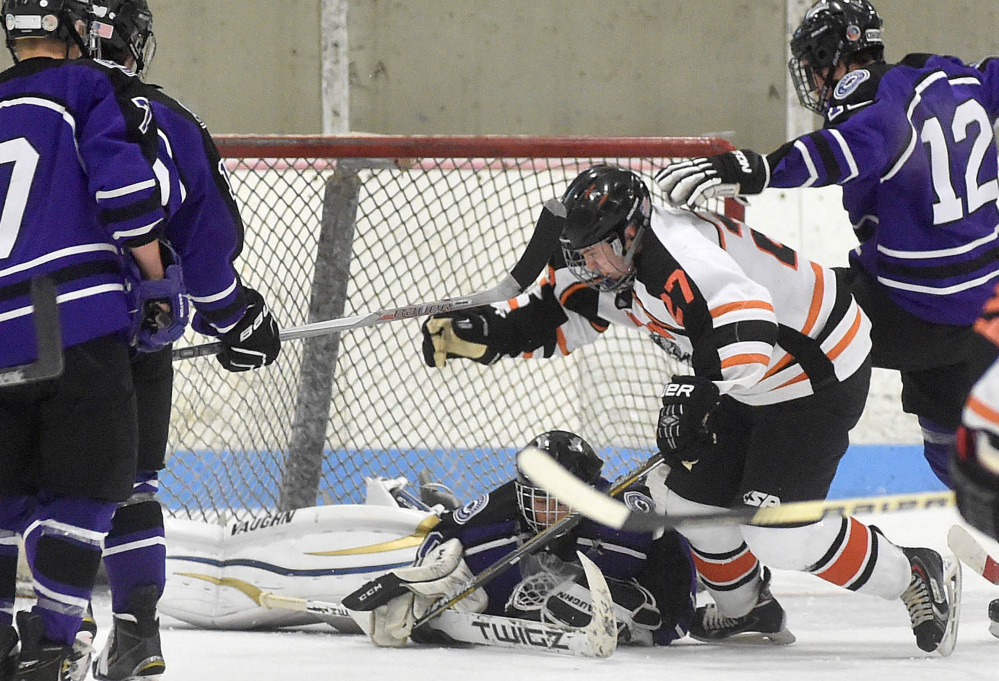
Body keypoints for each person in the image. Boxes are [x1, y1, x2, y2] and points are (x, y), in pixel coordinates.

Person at [420, 164, 962, 655]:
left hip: (816, 371)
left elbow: (746, 315)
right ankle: (747, 610)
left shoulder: (678, 255)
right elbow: (562, 312)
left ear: (632, 232)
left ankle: (913, 571)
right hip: (745, 380)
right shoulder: (611, 262)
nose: (590, 266)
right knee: (682, 502)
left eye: (598, 252)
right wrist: (486, 332)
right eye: (581, 254)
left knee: (779, 533)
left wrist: (700, 390)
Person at [654, 0, 999, 492]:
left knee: (788, 318)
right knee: (951, 451)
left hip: (909, 310)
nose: (815, 82)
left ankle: (722, 437)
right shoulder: (959, 78)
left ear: (835, 58)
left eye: (816, 65)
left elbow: (841, 150)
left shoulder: (873, 101)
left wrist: (760, 170)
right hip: (984, 309)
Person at [78, 2, 280, 680]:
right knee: (130, 484)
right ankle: (137, 632)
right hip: (137, 329)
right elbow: (205, 242)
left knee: (38, 485)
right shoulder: (168, 118)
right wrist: (236, 318)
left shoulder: (21, 109)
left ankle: (56, 629)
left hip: (31, 327)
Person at [0, 0, 171, 678]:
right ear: (75, 32)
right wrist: (156, 283)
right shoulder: (83, 88)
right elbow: (127, 194)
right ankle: (54, 641)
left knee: (7, 490)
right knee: (88, 484)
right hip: (65, 313)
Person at [345, 430, 697, 648]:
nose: (551, 511)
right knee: (482, 555)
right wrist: (436, 567)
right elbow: (444, 529)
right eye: (542, 499)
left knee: (585, 598)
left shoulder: (621, 512)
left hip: (647, 603)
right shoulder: (509, 501)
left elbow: (674, 574)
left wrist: (661, 620)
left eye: (563, 498)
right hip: (537, 592)